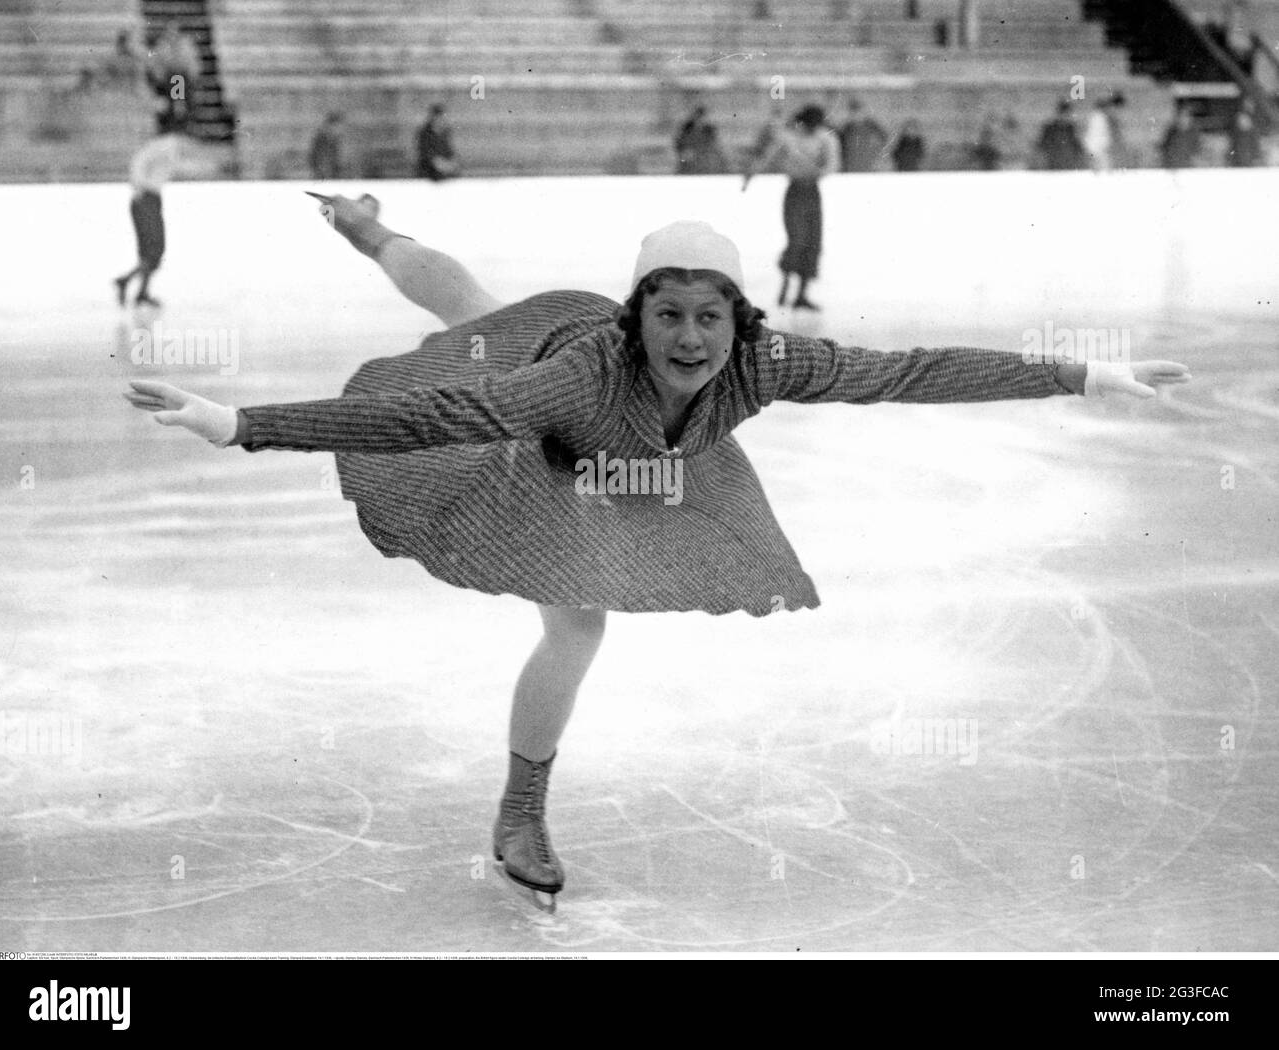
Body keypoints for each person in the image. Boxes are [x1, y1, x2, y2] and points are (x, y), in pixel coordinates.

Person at [124, 201, 1192, 910]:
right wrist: (241, 424)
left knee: (474, 306)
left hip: (656, 466)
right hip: (543, 445)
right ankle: (522, 808)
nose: (690, 337)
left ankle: (370, 225)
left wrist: (1082, 377)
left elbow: (908, 371)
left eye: (710, 316)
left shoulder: (769, 363)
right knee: (481, 345)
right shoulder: (581, 375)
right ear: (638, 320)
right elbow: (435, 414)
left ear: (743, 322)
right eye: (669, 314)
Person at [743, 104, 841, 309]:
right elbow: (767, 157)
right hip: (795, 191)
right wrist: (750, 175)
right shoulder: (788, 138)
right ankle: (786, 282)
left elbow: (832, 164)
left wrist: (818, 171)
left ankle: (802, 294)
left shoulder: (825, 139)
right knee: (797, 239)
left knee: (813, 241)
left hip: (812, 191)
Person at [112, 118, 211, 308]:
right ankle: (131, 284)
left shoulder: (170, 149)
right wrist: (139, 185)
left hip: (149, 197)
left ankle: (138, 289)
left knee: (152, 250)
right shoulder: (166, 146)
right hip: (145, 198)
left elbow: (175, 167)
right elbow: (140, 161)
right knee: (154, 248)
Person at [837, 97, 887, 172]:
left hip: (868, 159)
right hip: (851, 161)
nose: (856, 114)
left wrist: (877, 154)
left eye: (858, 110)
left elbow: (884, 138)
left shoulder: (871, 125)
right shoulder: (847, 127)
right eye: (853, 111)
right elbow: (840, 145)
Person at [1036, 100, 1085, 170]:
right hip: (1052, 161)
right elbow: (1042, 145)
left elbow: (1077, 145)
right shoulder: (1049, 128)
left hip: (1068, 162)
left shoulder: (1071, 128)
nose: (1065, 117)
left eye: (1067, 114)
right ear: (1059, 113)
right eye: (1064, 114)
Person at [416, 104, 458, 181]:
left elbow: (450, 151)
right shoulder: (424, 133)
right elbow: (427, 154)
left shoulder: (445, 133)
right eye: (440, 117)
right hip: (428, 173)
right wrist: (441, 164)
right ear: (434, 117)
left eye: (443, 117)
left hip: (444, 169)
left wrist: (451, 163)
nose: (442, 120)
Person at [309, 111, 347, 179]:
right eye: (338, 127)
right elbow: (320, 160)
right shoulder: (322, 140)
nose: (340, 130)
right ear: (331, 125)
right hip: (325, 176)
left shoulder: (333, 140)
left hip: (331, 174)